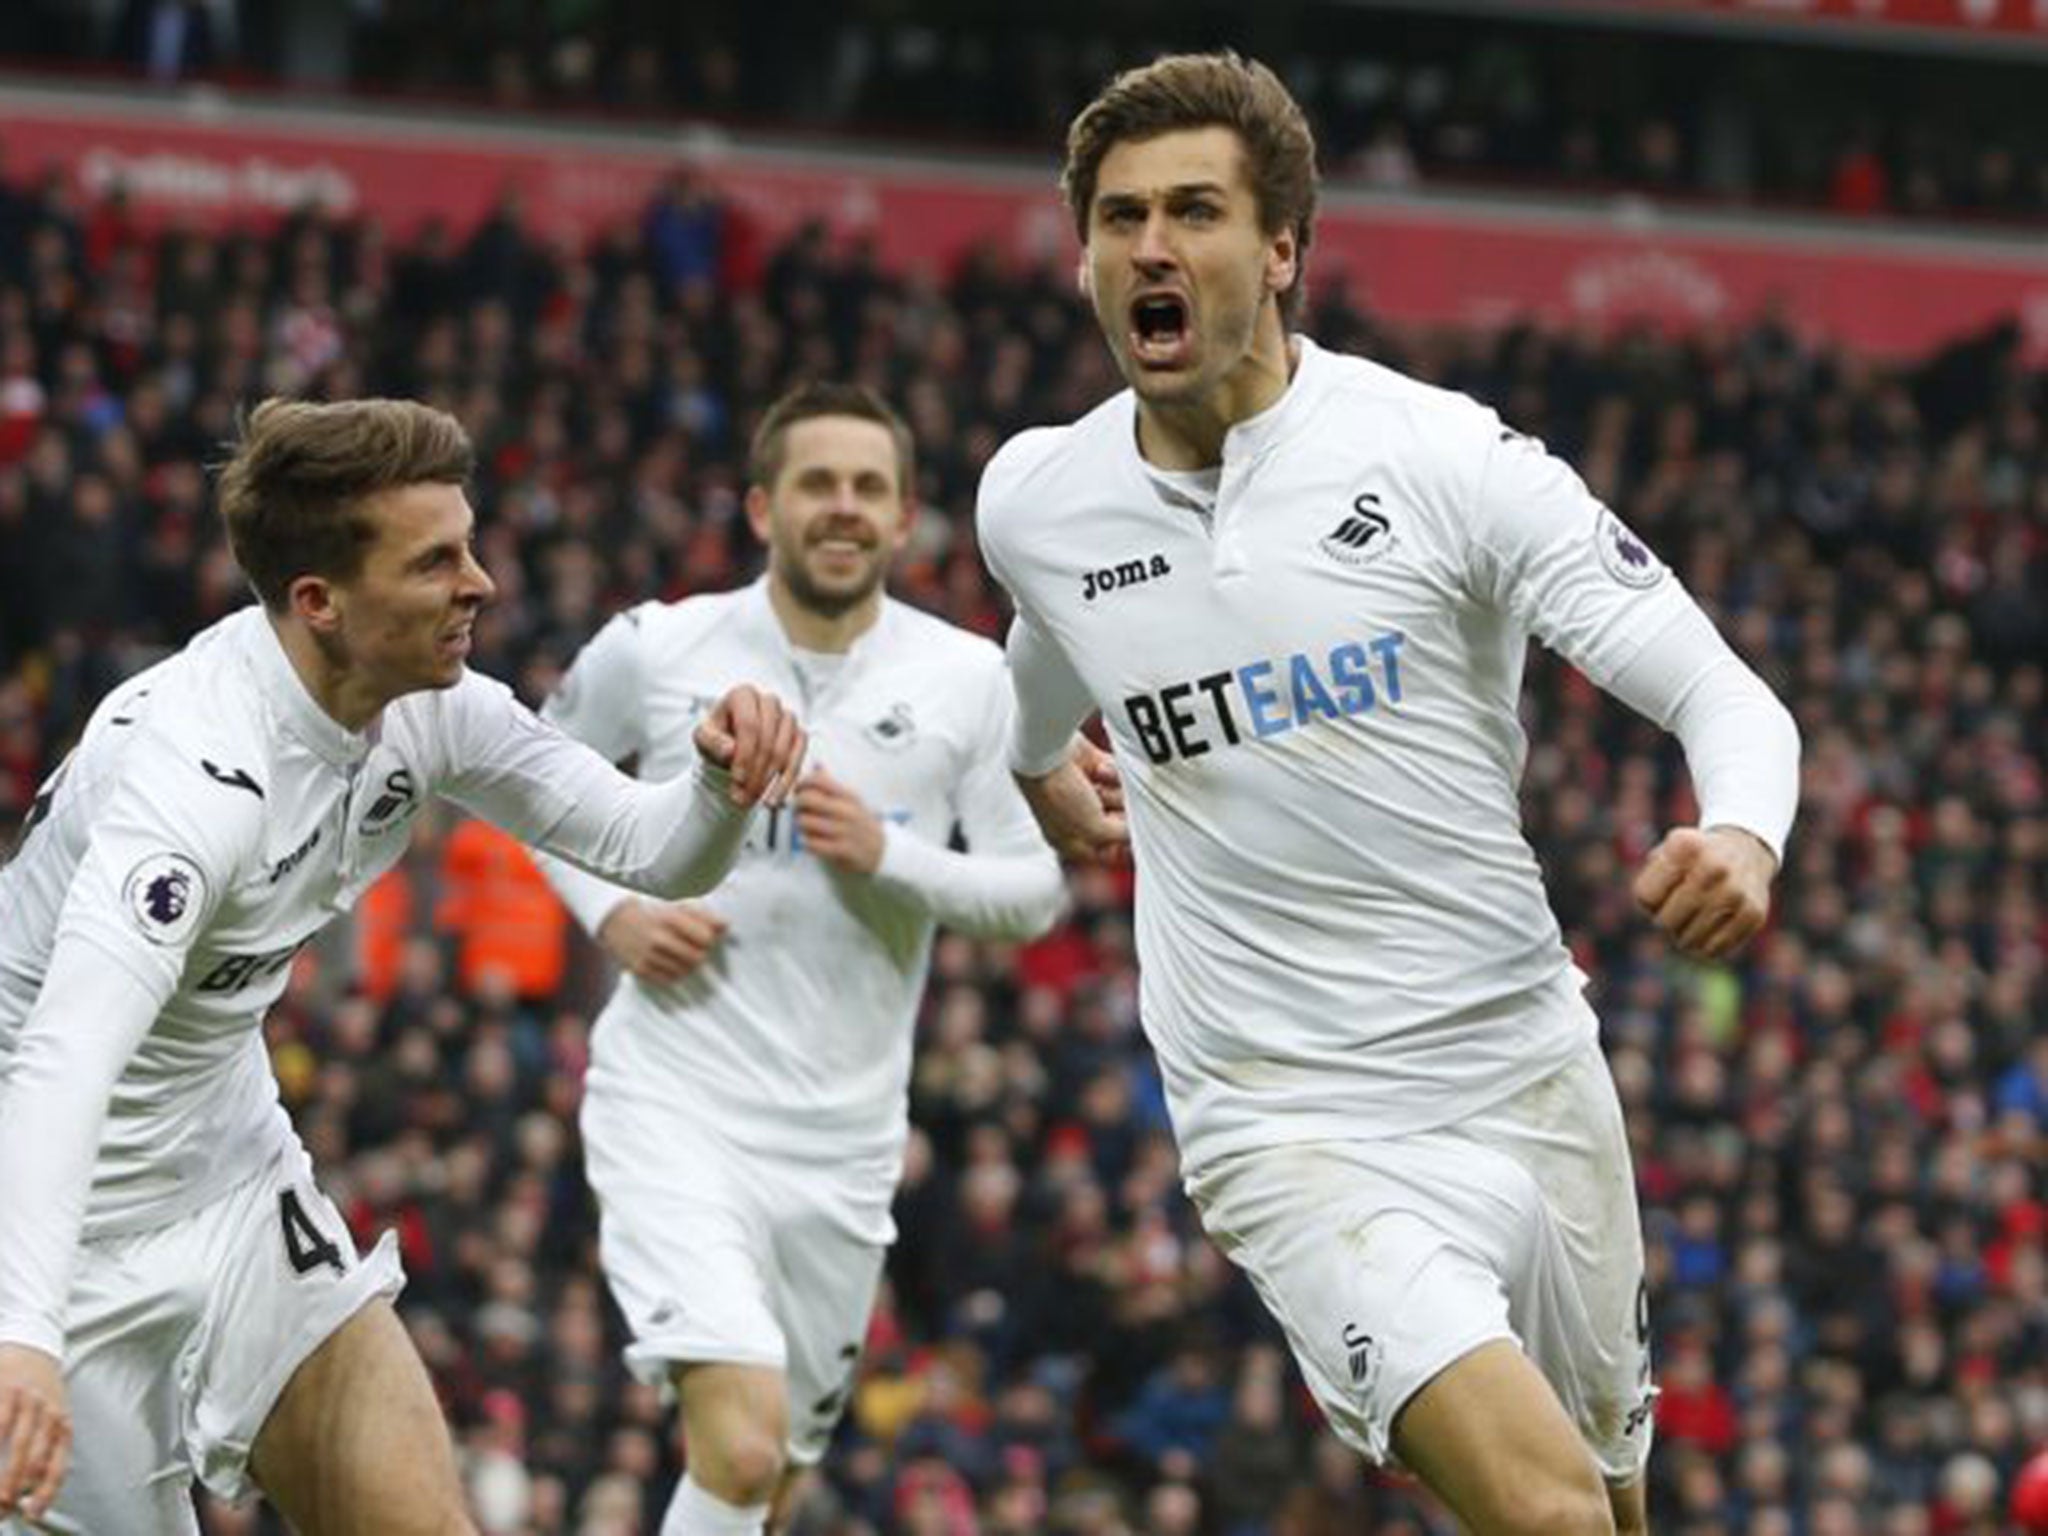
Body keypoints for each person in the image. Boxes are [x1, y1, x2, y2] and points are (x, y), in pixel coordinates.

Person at [975, 53, 1800, 1536]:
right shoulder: (1037, 498)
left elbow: (1721, 692)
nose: (1149, 247)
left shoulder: (1440, 460)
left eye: (1195, 212)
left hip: (1523, 1073)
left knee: (1615, 1501)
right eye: (1118, 218)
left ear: (1283, 248)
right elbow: (1044, 656)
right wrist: (1040, 769)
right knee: (1546, 1513)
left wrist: (1741, 827)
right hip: (1282, 1117)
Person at [0, 397, 806, 1535]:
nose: (478, 582)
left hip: (229, 1179)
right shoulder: (193, 781)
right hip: (45, 1227)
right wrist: (21, 1335)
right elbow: (62, 1067)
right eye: (436, 562)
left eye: (468, 546)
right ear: (320, 603)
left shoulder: (432, 711)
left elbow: (648, 849)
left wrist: (721, 781)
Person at [536, 381, 1065, 1536]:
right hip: (675, 1097)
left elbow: (1033, 893)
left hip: (844, 1140)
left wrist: (890, 858)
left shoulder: (968, 681)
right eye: (818, 484)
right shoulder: (661, 645)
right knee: (738, 1439)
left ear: (903, 515)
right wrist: (608, 914)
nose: (844, 507)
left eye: (868, 488)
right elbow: (536, 776)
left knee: (771, 1476)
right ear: (760, 506)